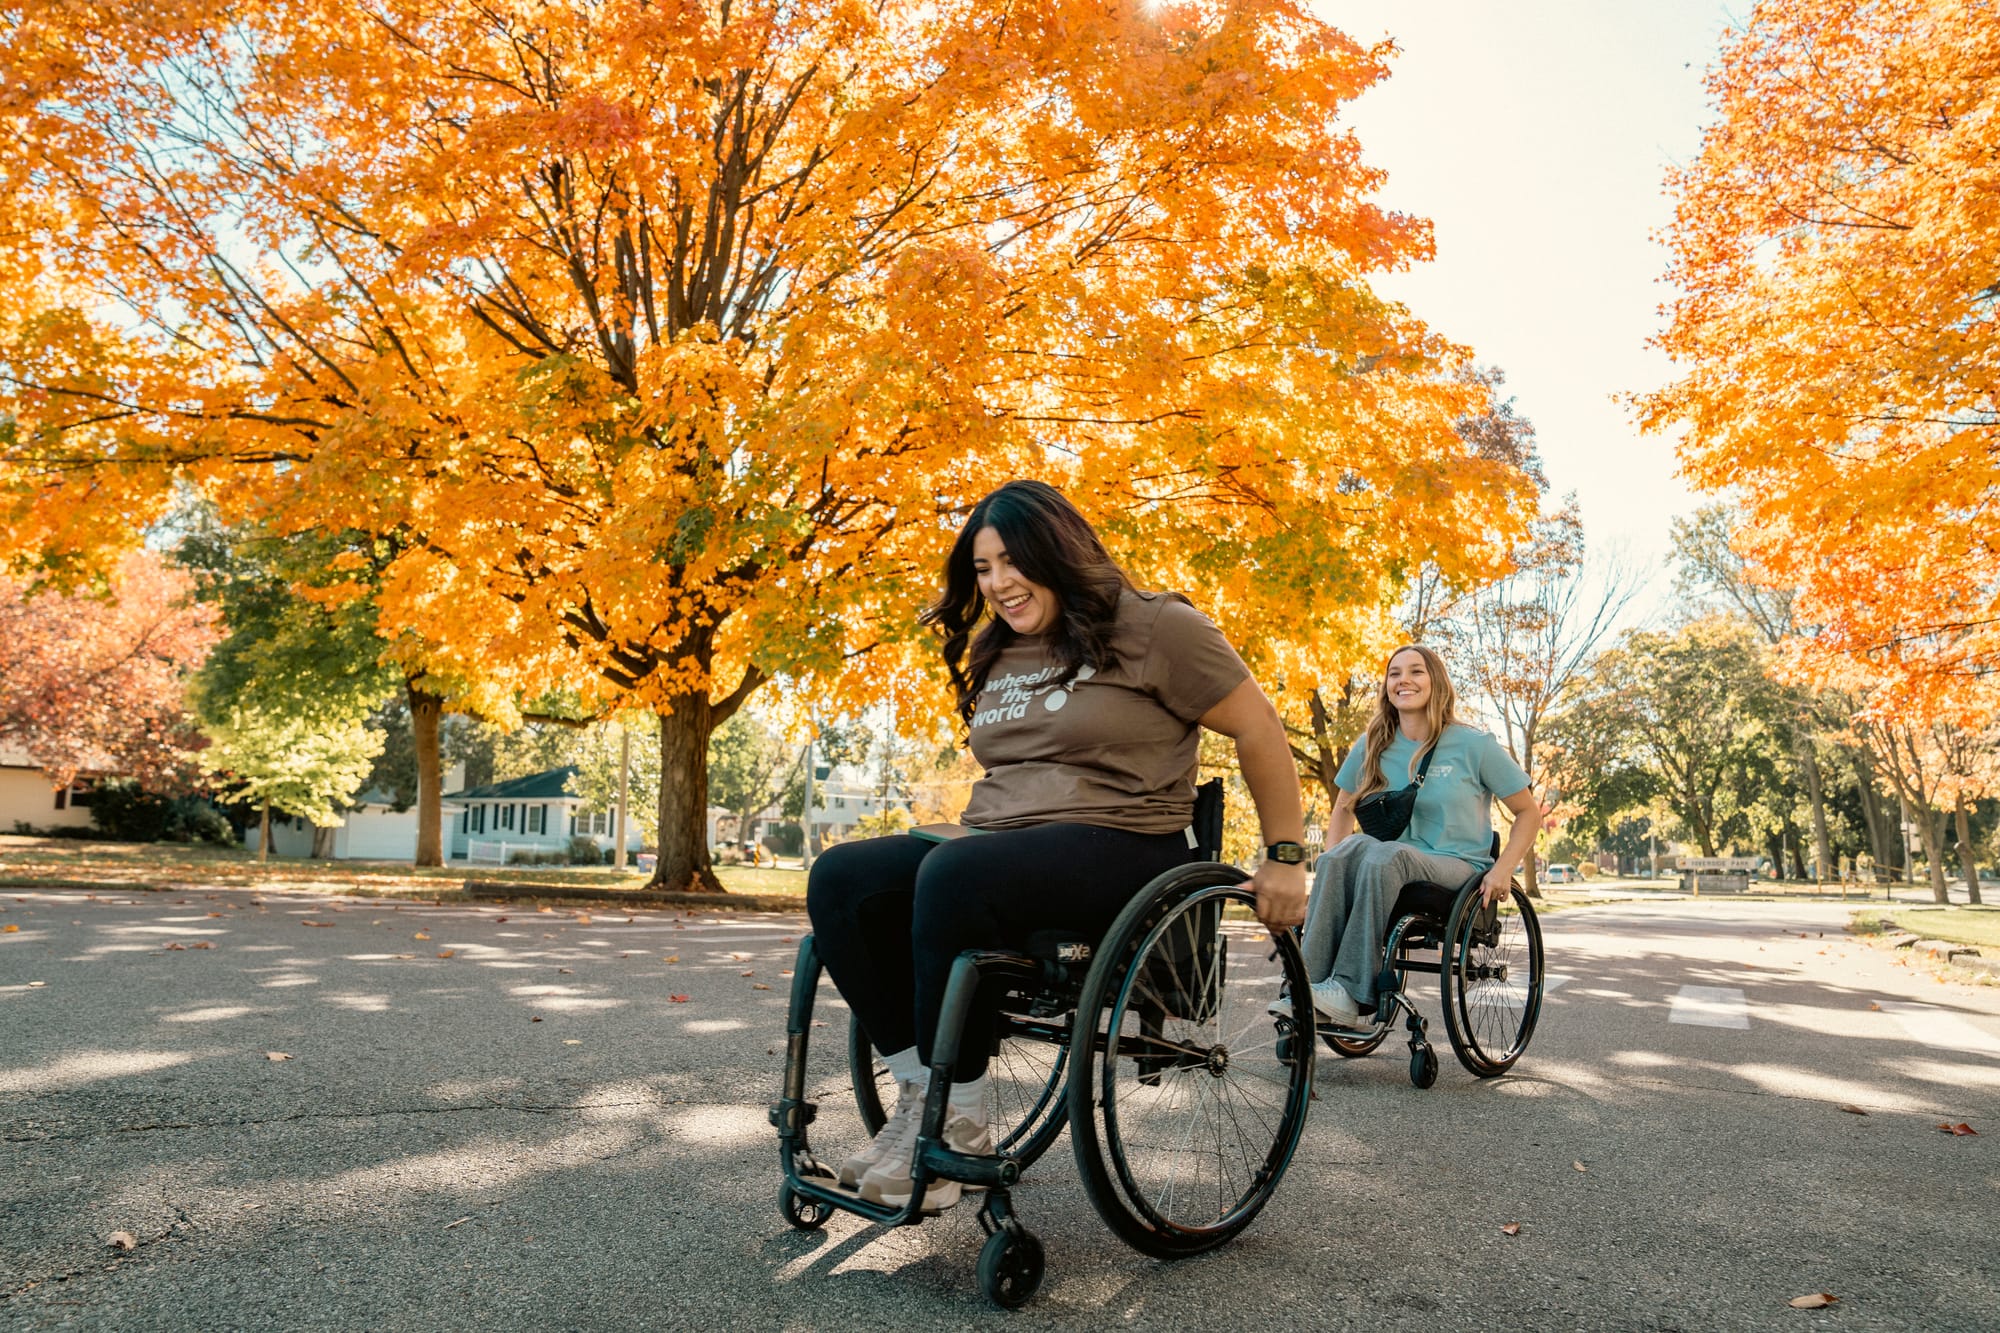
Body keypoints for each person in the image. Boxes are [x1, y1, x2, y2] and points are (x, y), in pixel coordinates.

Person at [805, 479, 1309, 1213]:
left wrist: (1286, 855)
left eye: (1012, 560)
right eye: (982, 569)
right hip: (1002, 848)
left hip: (1128, 845)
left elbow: (1261, 726)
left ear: (1059, 548)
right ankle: (922, 1095)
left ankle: (962, 1124)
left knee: (954, 874)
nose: (998, 583)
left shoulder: (1157, 625)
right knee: (843, 877)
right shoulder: (1003, 645)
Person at [1297, 644, 1541, 1027]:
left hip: (1458, 866)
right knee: (1345, 852)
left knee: (1384, 854)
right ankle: (1302, 989)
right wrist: (1334, 869)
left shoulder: (1474, 745)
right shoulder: (1374, 743)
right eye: (1395, 673)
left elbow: (1528, 812)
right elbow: (1343, 809)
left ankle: (1349, 992)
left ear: (1436, 683)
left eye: (1416, 672)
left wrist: (1504, 870)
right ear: (1386, 686)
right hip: (1389, 863)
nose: (1403, 680)